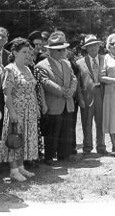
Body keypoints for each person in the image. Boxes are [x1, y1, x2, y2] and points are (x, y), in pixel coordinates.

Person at [0, 38, 39, 181]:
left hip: (30, 110)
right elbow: (7, 94)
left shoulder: (27, 68)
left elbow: (32, 90)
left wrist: (36, 107)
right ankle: (13, 170)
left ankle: (21, 167)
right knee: (14, 138)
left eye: (28, 52)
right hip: (17, 110)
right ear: (15, 53)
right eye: (23, 52)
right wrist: (12, 113)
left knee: (24, 138)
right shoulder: (10, 69)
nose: (27, 54)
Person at [36, 31, 77, 165]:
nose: (63, 52)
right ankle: (49, 157)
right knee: (52, 132)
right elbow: (46, 83)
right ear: (51, 51)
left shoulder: (67, 63)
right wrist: (63, 92)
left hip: (67, 103)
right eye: (59, 50)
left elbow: (74, 79)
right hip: (54, 103)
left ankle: (64, 155)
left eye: (64, 49)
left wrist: (70, 91)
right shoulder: (41, 65)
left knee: (66, 130)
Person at [76, 34, 107, 155]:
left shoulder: (106, 59)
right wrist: (80, 98)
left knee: (101, 121)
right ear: (86, 48)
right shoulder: (79, 63)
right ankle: (87, 147)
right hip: (87, 95)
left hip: (102, 93)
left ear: (99, 46)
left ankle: (101, 146)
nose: (92, 48)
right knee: (86, 122)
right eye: (89, 46)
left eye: (94, 45)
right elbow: (77, 83)